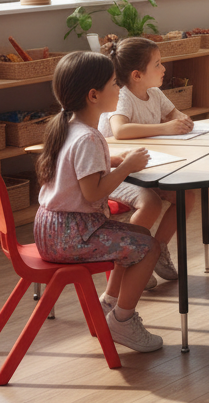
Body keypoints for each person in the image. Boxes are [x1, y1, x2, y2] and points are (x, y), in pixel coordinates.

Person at [34, 51, 164, 353]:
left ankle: (109, 301)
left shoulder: (69, 126)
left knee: (140, 237)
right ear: (94, 95)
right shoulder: (89, 138)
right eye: (113, 84)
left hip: (53, 229)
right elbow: (92, 193)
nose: (119, 89)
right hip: (72, 235)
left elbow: (79, 174)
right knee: (150, 249)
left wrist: (112, 161)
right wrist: (126, 168)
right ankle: (122, 319)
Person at [103, 36, 196, 284]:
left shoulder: (153, 92)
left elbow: (172, 112)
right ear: (136, 75)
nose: (163, 68)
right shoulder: (122, 96)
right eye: (157, 64)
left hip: (144, 168)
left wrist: (181, 118)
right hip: (115, 171)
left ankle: (157, 250)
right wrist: (166, 128)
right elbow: (120, 130)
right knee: (151, 202)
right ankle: (132, 259)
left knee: (185, 195)